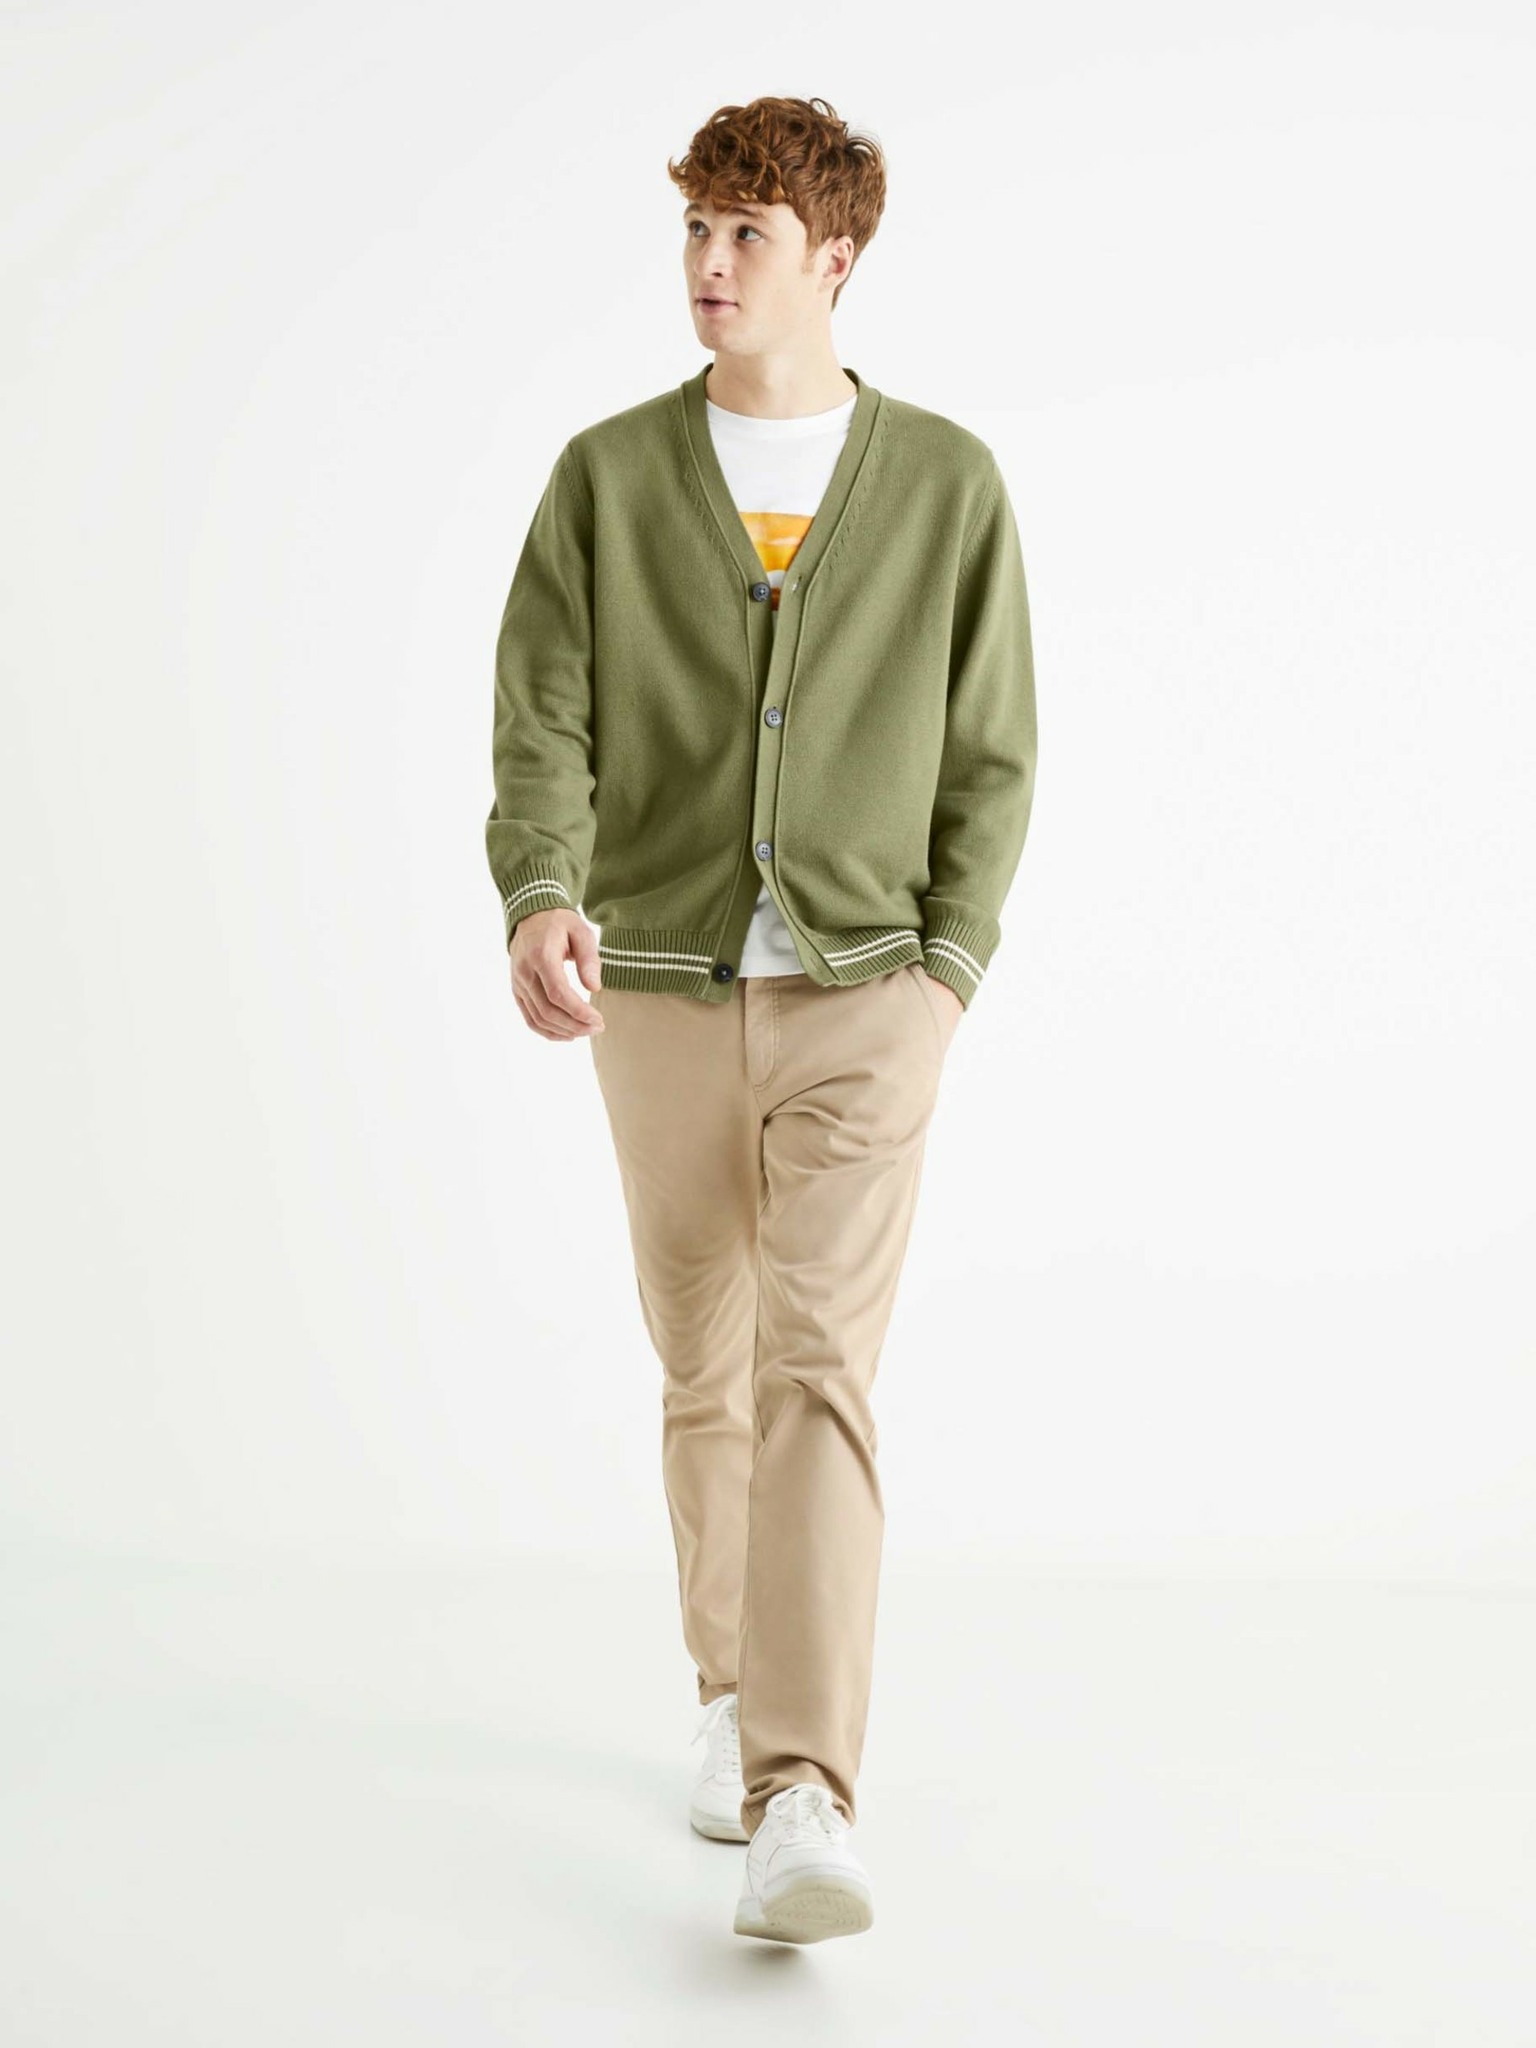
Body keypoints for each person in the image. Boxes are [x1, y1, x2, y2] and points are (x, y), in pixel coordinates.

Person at [485, 94, 1037, 1945]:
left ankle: (807, 1788)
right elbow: (544, 712)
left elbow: (993, 753)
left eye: (748, 235)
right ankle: (728, 1694)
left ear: (835, 261)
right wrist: (541, 889)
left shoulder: (944, 483)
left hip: (869, 993)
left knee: (818, 1368)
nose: (710, 266)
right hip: (656, 987)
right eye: (697, 230)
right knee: (705, 1358)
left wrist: (947, 973)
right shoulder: (607, 477)